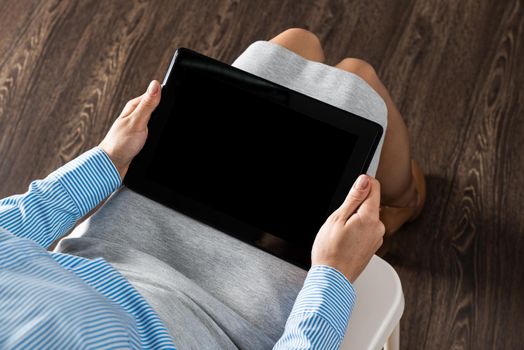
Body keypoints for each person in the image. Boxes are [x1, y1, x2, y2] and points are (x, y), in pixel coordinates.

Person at [0, 28, 425, 349]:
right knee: (358, 77)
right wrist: (332, 274)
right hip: (227, 317)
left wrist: (108, 160)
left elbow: (11, 232)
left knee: (296, 43)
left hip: (111, 250)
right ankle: (404, 199)